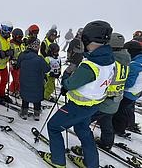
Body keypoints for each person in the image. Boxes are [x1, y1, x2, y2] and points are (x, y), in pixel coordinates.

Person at [44, 20, 115, 168]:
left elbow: (70, 84)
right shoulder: (109, 61)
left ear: (89, 40)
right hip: (94, 104)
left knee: (54, 126)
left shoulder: (90, 66)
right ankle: (91, 164)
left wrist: (66, 75)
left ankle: (58, 161)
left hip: (78, 106)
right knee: (82, 129)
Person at [90, 33, 130, 151]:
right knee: (107, 121)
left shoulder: (111, 61)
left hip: (105, 99)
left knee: (84, 120)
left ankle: (87, 144)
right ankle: (107, 142)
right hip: (116, 99)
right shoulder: (125, 60)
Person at [113, 39, 142, 136]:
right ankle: (128, 125)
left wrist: (119, 82)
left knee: (119, 111)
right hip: (136, 92)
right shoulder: (139, 61)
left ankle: (118, 129)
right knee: (126, 110)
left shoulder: (134, 65)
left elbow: (129, 83)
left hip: (129, 92)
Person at [17, 38, 50, 121]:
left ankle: (24, 113)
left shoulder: (22, 55)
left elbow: (17, 65)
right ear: (36, 47)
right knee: (37, 97)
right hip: (37, 83)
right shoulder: (39, 59)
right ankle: (36, 114)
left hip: (24, 81)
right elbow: (47, 69)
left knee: (25, 96)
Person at [9, 28, 24, 96]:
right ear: (14, 36)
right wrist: (12, 63)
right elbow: (9, 56)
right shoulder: (11, 44)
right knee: (16, 79)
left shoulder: (21, 44)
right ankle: (12, 90)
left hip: (21, 64)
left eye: (21, 37)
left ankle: (18, 90)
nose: (20, 38)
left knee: (21, 79)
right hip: (14, 64)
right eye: (18, 37)